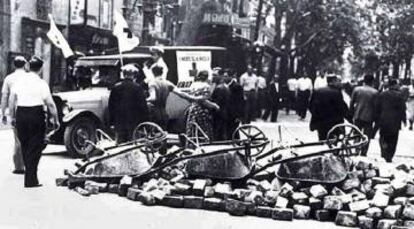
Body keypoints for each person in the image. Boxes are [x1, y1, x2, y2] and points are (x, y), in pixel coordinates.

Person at [9, 56, 60, 188]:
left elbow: (11, 99)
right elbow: (50, 103)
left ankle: (31, 177)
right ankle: (31, 179)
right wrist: (56, 119)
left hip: (21, 114)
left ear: (28, 67)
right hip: (36, 115)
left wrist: (12, 116)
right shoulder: (41, 83)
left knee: (25, 145)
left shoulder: (19, 81)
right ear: (41, 69)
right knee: (35, 147)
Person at [108, 64, 149, 143]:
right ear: (133, 75)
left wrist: (111, 122)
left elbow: (111, 106)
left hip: (119, 122)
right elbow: (143, 107)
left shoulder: (116, 87)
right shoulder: (137, 88)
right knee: (134, 145)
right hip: (134, 122)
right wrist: (145, 121)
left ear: (123, 75)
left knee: (121, 145)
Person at [1, 56, 27, 174]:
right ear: (25, 64)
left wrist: (3, 113)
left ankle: (19, 167)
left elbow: (5, 96)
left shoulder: (9, 78)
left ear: (14, 65)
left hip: (16, 111)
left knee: (18, 138)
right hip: (30, 109)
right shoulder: (29, 77)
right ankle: (28, 164)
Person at [374, 79, 406, 163]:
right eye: (398, 84)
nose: (399, 86)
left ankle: (384, 151)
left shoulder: (382, 94)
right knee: (393, 138)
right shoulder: (400, 95)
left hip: (383, 119)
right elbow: (402, 109)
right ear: (394, 85)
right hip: (395, 121)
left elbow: (377, 108)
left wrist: (376, 118)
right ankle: (389, 155)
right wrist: (404, 120)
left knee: (383, 137)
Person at [309, 75, 349, 140]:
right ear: (333, 81)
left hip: (321, 123)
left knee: (322, 140)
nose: (339, 83)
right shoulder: (337, 92)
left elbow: (311, 106)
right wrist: (350, 119)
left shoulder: (317, 91)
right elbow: (342, 108)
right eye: (337, 81)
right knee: (334, 142)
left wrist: (317, 115)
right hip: (334, 123)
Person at [349, 74, 378, 156]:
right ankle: (364, 152)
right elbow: (376, 107)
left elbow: (351, 103)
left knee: (356, 133)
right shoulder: (375, 92)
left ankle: (356, 149)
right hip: (369, 117)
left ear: (364, 80)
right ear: (372, 81)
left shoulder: (357, 89)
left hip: (357, 115)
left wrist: (351, 114)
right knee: (367, 135)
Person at [211, 75, 231, 141]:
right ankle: (224, 139)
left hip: (219, 110)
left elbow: (217, 100)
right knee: (223, 126)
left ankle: (216, 140)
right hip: (225, 109)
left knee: (217, 126)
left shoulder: (218, 88)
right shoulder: (226, 87)